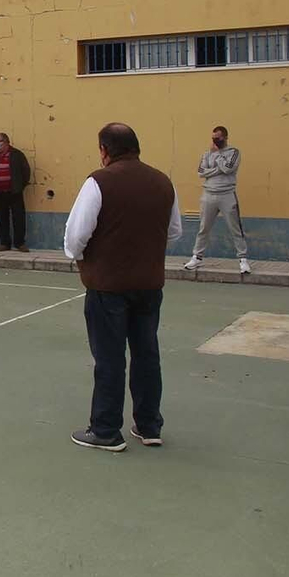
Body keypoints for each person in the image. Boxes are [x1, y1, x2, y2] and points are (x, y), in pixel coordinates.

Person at [63, 123, 182, 452]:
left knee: (110, 357)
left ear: (104, 149)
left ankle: (105, 429)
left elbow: (76, 235)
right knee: (147, 354)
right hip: (149, 284)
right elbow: (174, 231)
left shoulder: (99, 182)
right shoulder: (162, 181)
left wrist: (81, 257)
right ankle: (148, 425)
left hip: (108, 285)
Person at [184, 125, 251, 275]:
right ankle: (197, 257)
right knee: (203, 228)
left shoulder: (233, 152)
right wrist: (217, 168)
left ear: (225, 137)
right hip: (208, 195)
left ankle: (243, 260)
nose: (215, 140)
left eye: (218, 137)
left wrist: (218, 156)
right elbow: (201, 172)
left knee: (235, 229)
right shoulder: (207, 154)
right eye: (213, 137)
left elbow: (228, 168)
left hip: (227, 194)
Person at [0, 132, 31, 252]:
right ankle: (4, 243)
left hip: (14, 191)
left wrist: (20, 186)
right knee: (1, 217)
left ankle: (20, 243)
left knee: (18, 217)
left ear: (6, 142)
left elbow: (25, 171)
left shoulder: (17, 155)